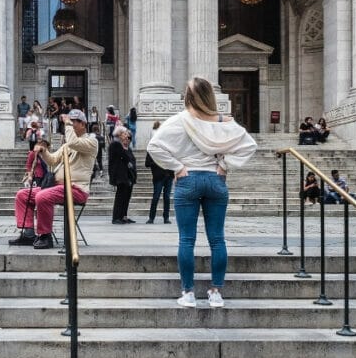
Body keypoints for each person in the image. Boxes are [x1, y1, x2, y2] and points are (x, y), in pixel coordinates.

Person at [146, 76, 258, 309]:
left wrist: (177, 167)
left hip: (188, 179)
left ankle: (188, 293)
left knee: (186, 239)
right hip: (215, 180)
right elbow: (250, 145)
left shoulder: (179, 121)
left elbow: (153, 146)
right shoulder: (224, 122)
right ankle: (216, 292)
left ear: (187, 97)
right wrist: (224, 165)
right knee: (217, 239)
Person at [12, 110, 98, 249]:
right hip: (57, 187)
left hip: (76, 189)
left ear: (83, 124)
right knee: (22, 195)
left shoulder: (91, 142)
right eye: (70, 122)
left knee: (43, 196)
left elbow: (73, 142)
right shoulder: (67, 145)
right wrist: (43, 151)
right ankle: (28, 233)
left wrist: (67, 123)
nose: (69, 125)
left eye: (74, 122)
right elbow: (52, 161)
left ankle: (45, 236)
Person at [146, 121, 174, 224]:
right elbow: (147, 163)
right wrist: (158, 162)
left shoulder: (170, 148)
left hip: (169, 175)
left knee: (167, 197)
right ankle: (151, 217)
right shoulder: (152, 148)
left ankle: (166, 218)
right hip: (158, 176)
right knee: (156, 196)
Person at [108, 125, 137, 224]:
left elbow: (130, 159)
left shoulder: (124, 147)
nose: (127, 136)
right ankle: (116, 217)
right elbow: (124, 157)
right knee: (120, 197)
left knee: (125, 197)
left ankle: (123, 216)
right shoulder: (116, 144)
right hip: (120, 175)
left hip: (127, 175)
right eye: (125, 134)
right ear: (119, 135)